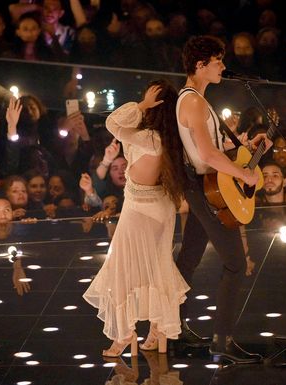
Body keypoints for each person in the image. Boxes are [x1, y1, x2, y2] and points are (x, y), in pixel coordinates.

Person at [174, 35, 267, 364]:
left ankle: (173, 328)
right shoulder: (193, 101)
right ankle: (222, 341)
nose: (223, 67)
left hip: (201, 185)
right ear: (200, 65)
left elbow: (212, 151)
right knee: (236, 263)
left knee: (189, 257)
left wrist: (241, 146)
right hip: (203, 188)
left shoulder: (197, 99)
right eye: (218, 61)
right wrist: (244, 174)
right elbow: (207, 155)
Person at [83, 80, 189, 357]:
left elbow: (112, 123)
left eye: (146, 101)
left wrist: (141, 105)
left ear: (155, 106)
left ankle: (124, 334)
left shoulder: (151, 137)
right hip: (157, 208)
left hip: (141, 209)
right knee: (155, 267)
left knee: (122, 270)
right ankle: (156, 328)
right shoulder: (167, 138)